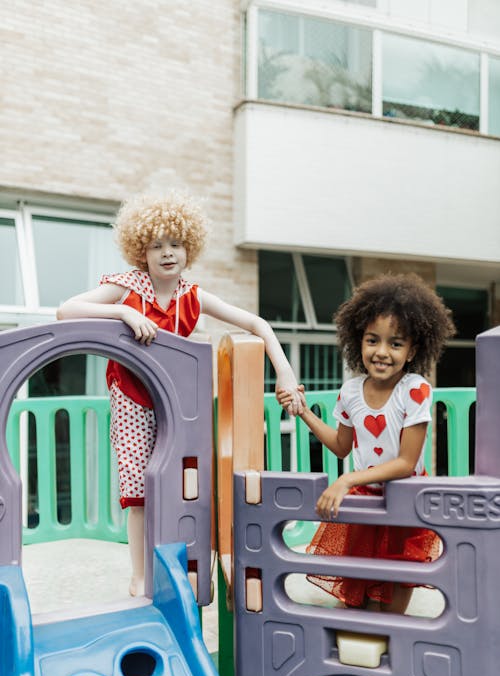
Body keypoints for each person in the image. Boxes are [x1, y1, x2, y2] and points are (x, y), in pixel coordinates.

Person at [57, 191, 303, 596]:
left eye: (175, 244)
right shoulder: (129, 286)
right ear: (141, 251)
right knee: (137, 492)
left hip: (173, 401)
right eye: (156, 246)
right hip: (132, 397)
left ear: (190, 248)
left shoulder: (193, 296)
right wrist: (123, 311)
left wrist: (285, 373)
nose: (167, 253)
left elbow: (258, 324)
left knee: (177, 484)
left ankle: (171, 566)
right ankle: (138, 576)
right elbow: (66, 310)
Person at [278, 273, 456, 613]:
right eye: (373, 340)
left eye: (396, 343)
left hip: (405, 504)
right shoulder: (350, 392)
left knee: (393, 603)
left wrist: (346, 479)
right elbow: (341, 446)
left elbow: (405, 463)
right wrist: (302, 412)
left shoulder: (415, 389)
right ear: (358, 341)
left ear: (412, 350)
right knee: (356, 600)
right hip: (366, 506)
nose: (382, 352)